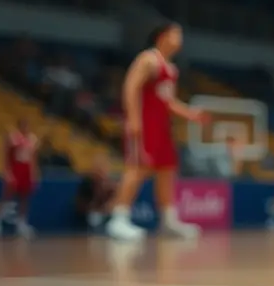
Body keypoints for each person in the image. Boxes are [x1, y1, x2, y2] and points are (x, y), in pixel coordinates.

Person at [104, 22, 211, 241]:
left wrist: (190, 114)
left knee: (167, 170)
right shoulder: (148, 59)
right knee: (138, 167)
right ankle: (118, 219)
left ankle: (168, 220)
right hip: (144, 124)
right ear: (162, 36)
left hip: (162, 127)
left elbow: (167, 101)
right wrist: (133, 118)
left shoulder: (170, 68)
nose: (180, 39)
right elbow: (130, 86)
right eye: (176, 34)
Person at [0, 118, 39, 238]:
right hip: (15, 168)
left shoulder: (32, 139)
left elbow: (33, 158)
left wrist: (34, 173)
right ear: (19, 126)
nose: (25, 128)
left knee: (24, 197)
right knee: (7, 195)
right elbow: (6, 156)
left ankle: (21, 223)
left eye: (27, 126)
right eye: (23, 125)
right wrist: (6, 172)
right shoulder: (13, 137)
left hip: (26, 169)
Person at [75, 152, 117, 230]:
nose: (102, 170)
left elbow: (116, 202)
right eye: (99, 167)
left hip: (108, 215)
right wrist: (94, 207)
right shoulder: (87, 182)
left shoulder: (111, 183)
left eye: (104, 167)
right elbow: (80, 204)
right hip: (90, 216)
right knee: (94, 219)